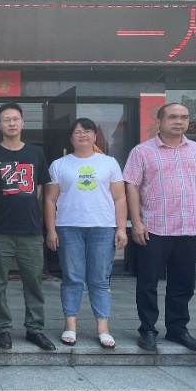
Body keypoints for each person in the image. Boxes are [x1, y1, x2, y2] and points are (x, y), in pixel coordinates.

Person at [123, 102, 196, 353]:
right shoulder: (142, 151)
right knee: (147, 283)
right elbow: (131, 186)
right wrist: (136, 222)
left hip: (189, 227)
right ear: (159, 122)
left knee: (183, 284)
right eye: (173, 117)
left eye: (184, 117)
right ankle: (147, 329)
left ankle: (177, 329)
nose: (179, 121)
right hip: (154, 228)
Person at [44, 118, 128, 348]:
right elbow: (50, 200)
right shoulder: (59, 165)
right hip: (68, 226)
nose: (82, 135)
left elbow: (120, 197)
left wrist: (121, 228)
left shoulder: (109, 163)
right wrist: (51, 230)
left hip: (103, 227)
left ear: (95, 136)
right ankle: (70, 325)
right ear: (70, 138)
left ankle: (103, 328)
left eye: (87, 131)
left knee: (99, 279)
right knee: (72, 277)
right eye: (77, 132)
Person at [0, 102, 56, 351]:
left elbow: (41, 192)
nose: (11, 123)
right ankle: (2, 328)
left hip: (30, 230)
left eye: (15, 119)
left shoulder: (35, 153)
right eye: (6, 120)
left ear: (23, 122)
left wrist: (47, 228)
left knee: (33, 282)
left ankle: (35, 329)